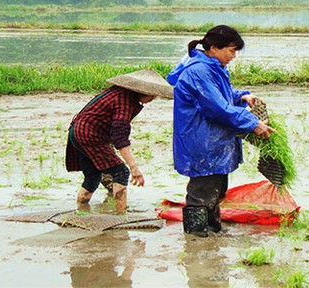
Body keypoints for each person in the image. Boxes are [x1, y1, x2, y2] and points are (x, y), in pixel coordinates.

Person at [167, 25, 276, 237]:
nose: (233, 56)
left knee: (215, 191)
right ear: (214, 48)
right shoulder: (198, 71)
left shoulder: (213, 67)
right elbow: (215, 108)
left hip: (213, 141)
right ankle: (196, 239)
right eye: (231, 50)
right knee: (202, 192)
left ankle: (212, 232)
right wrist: (252, 122)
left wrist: (241, 97)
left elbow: (218, 96)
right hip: (202, 141)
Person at [65, 69, 173, 214]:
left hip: (77, 132)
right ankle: (120, 215)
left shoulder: (118, 93)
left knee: (92, 176)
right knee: (121, 172)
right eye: (152, 96)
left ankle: (81, 209)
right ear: (143, 92)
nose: (152, 99)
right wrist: (134, 167)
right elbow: (120, 136)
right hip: (88, 135)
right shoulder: (124, 102)